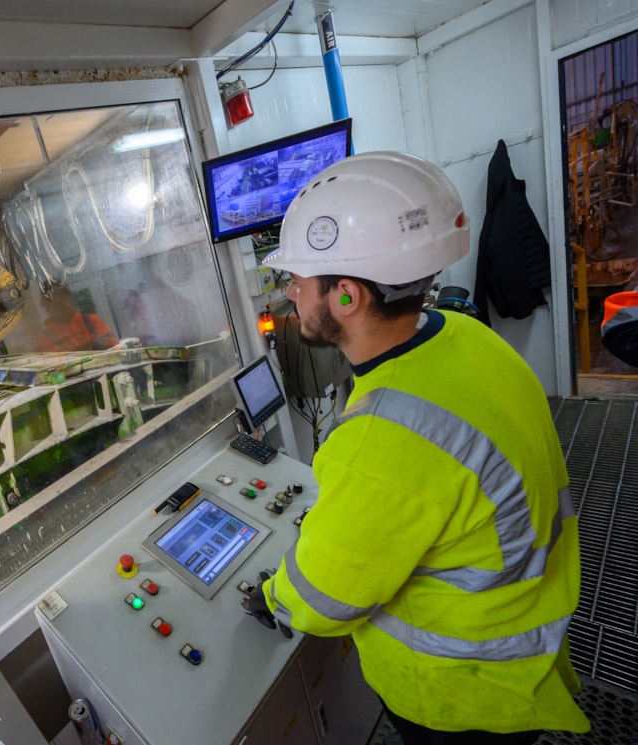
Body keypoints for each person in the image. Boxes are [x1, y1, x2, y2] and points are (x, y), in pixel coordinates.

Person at [244, 151, 589, 743]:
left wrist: (271, 596)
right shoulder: (466, 335)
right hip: (525, 628)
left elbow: (324, 598)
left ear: (347, 295)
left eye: (296, 281)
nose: (290, 297)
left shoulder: (384, 434)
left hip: (461, 690)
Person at [36, 285, 119, 352]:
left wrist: (94, 345)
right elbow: (53, 364)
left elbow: (114, 346)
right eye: (57, 300)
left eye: (65, 297)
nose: (63, 303)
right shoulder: (46, 336)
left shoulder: (91, 320)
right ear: (48, 307)